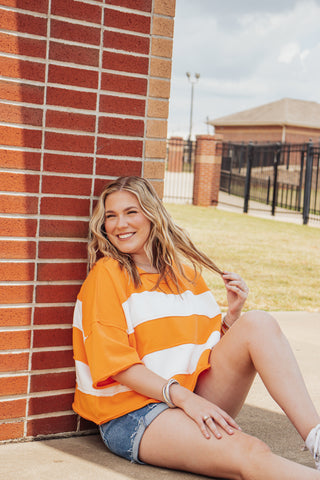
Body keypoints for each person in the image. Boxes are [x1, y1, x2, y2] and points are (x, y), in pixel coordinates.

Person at [72, 175, 320, 479]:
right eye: (111, 216)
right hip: (135, 413)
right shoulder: (107, 275)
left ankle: (316, 440)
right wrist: (186, 400)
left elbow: (204, 354)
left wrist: (231, 317)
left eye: (131, 212)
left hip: (191, 397)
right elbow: (116, 365)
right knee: (251, 452)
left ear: (152, 214)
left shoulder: (184, 274)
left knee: (259, 322)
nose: (119, 224)